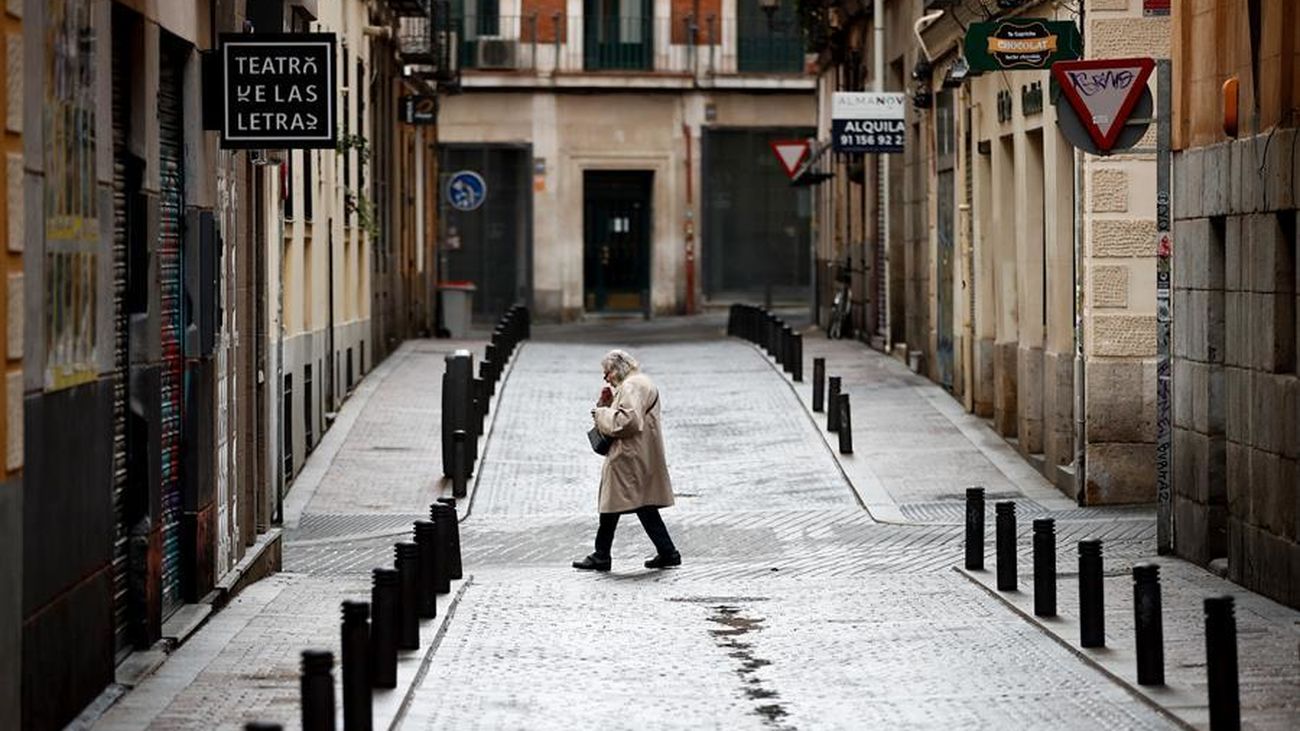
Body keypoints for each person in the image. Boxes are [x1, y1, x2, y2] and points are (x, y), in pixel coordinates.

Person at [572, 349, 681, 571]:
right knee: (642, 504)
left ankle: (602, 555)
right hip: (639, 452)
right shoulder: (640, 383)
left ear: (619, 367)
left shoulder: (632, 385)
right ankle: (667, 552)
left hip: (628, 455)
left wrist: (600, 413)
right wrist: (608, 404)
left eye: (607, 372)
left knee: (612, 503)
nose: (606, 378)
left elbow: (628, 421)